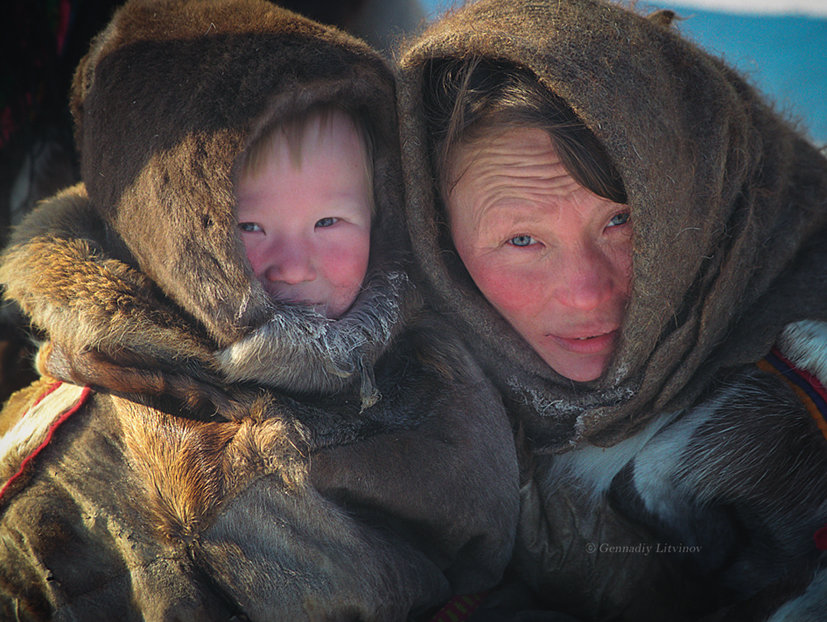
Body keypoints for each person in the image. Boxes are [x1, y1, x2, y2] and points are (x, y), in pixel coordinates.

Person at [0, 0, 520, 619]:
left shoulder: (433, 360)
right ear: (171, 238)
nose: (294, 263)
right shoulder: (106, 419)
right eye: (249, 227)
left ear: (380, 212)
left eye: (329, 221)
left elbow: (498, 549)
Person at [397, 0, 827, 619]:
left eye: (621, 220)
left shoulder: (797, 393)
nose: (587, 293)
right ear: (438, 241)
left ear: (693, 194)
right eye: (523, 240)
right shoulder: (389, 362)